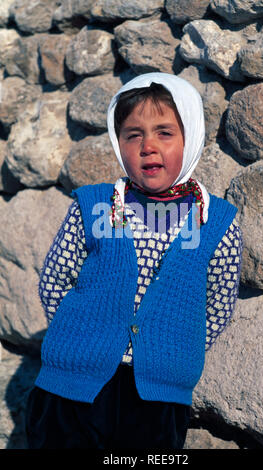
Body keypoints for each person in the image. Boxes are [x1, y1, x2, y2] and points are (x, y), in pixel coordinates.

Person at [25, 72, 243, 449]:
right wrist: (82, 336)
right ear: (118, 141)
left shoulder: (214, 222)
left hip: (157, 400)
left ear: (191, 137)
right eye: (133, 134)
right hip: (72, 391)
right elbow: (55, 281)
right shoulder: (95, 207)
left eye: (164, 132)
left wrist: (172, 349)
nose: (148, 146)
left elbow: (218, 305)